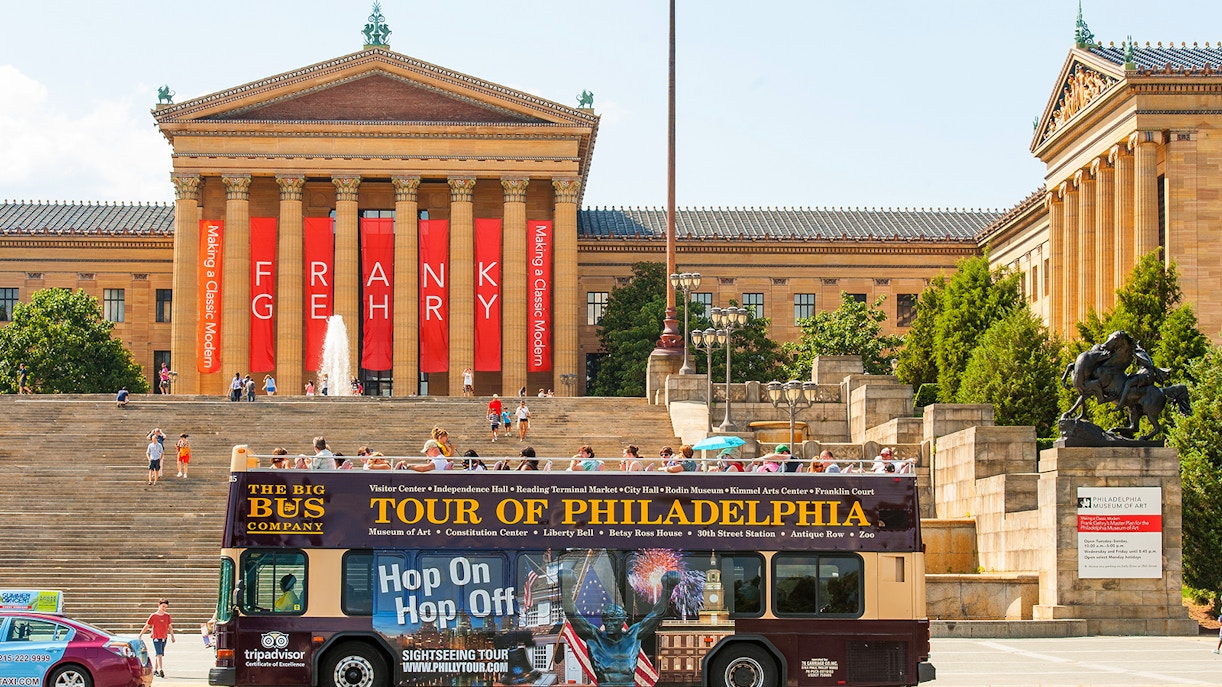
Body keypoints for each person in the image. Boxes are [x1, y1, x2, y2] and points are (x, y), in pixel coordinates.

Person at [560, 569, 678, 687]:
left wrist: (667, 590)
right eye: (606, 620)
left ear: (622, 621)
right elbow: (572, 614)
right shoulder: (595, 637)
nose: (609, 624)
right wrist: (566, 589)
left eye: (613, 620)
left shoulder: (634, 635)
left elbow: (657, 614)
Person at [138, 599, 174, 678]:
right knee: (159, 653)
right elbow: (147, 626)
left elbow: (170, 626)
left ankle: (155, 670)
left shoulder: (167, 616)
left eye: (166, 607)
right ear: (159, 605)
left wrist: (172, 636)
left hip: (164, 637)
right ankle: (161, 669)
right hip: (156, 637)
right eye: (163, 606)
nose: (164, 608)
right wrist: (141, 634)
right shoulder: (153, 616)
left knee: (160, 654)